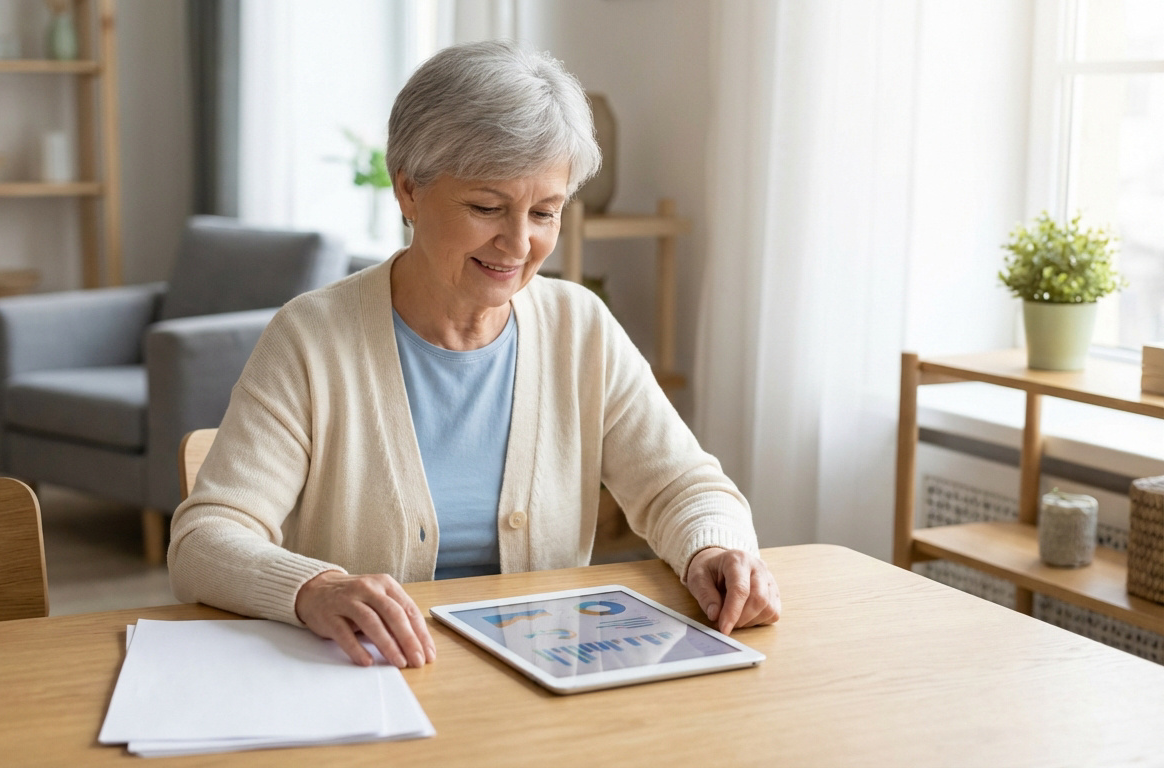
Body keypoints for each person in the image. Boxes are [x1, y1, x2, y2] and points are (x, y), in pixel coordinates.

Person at [168, 40, 780, 670]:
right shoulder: (311, 338)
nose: (518, 243)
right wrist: (313, 589)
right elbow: (204, 541)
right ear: (407, 189)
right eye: (487, 207)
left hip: (543, 680)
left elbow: (683, 485)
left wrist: (713, 549)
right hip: (371, 677)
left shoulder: (580, 327)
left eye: (546, 212)